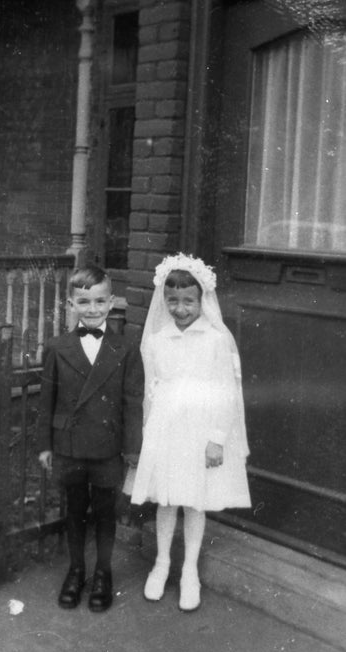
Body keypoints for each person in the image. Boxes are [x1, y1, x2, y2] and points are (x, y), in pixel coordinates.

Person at [125, 253, 251, 612]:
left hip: (199, 430)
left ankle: (189, 570)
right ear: (164, 300)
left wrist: (216, 438)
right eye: (173, 301)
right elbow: (149, 388)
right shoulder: (157, 339)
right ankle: (162, 561)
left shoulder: (215, 339)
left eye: (188, 301)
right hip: (164, 427)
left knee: (195, 500)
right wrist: (145, 435)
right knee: (166, 498)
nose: (180, 309)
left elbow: (227, 392)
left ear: (202, 300)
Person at [38, 265, 144, 612]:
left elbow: (132, 402)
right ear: (71, 303)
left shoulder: (126, 348)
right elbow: (46, 401)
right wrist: (45, 445)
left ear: (112, 302)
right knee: (73, 509)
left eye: (100, 301)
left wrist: (131, 448)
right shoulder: (57, 347)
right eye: (84, 301)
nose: (93, 308)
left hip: (107, 446)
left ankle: (103, 573)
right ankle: (76, 570)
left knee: (104, 512)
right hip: (69, 444)